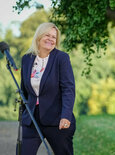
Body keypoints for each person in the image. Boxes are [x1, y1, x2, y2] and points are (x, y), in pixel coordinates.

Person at [19, 22, 76, 155]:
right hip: (32, 120)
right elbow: (24, 90)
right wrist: (24, 115)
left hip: (57, 121)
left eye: (54, 37)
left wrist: (66, 116)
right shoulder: (27, 59)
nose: (51, 39)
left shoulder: (61, 58)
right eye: (47, 35)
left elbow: (68, 89)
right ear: (39, 37)